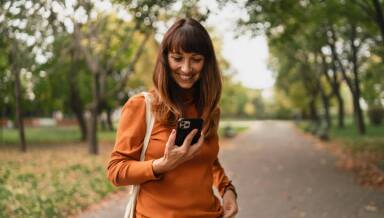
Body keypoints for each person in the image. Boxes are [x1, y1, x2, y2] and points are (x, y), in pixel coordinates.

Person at [107, 18, 238, 218]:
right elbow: (116, 171)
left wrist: (227, 189)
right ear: (165, 59)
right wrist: (163, 164)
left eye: (195, 59)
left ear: (206, 63)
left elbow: (207, 159)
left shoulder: (210, 109)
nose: (186, 68)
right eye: (177, 58)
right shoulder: (141, 106)